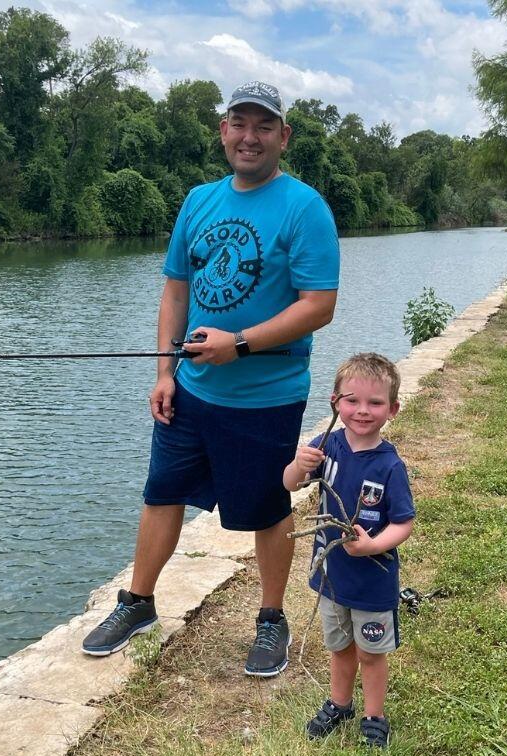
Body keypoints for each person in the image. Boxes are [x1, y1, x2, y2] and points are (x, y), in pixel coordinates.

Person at [82, 81, 340, 677]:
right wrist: (165, 372)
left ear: (283, 137)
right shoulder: (198, 200)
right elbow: (176, 287)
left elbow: (319, 304)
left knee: (268, 507)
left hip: (265, 398)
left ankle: (270, 618)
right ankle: (138, 602)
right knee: (162, 493)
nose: (250, 136)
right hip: (192, 390)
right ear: (223, 130)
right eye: (239, 123)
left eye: (264, 126)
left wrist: (240, 343)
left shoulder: (305, 208)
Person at [283, 353, 415, 746]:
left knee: (371, 654)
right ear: (335, 402)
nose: (362, 411)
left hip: (373, 582)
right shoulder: (325, 447)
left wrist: (374, 545)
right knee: (339, 647)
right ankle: (340, 703)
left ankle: (374, 716)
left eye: (375, 403)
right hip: (331, 577)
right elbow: (290, 484)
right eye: (352, 400)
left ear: (392, 409)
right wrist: (298, 464)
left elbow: (403, 522)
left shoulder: (390, 466)